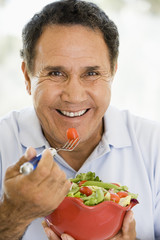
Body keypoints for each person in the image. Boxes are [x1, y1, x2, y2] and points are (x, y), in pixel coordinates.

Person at [0, 0, 160, 239]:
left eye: (92, 73)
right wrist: (13, 214)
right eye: (55, 73)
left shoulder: (153, 145)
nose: (74, 96)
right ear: (27, 76)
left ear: (113, 73)